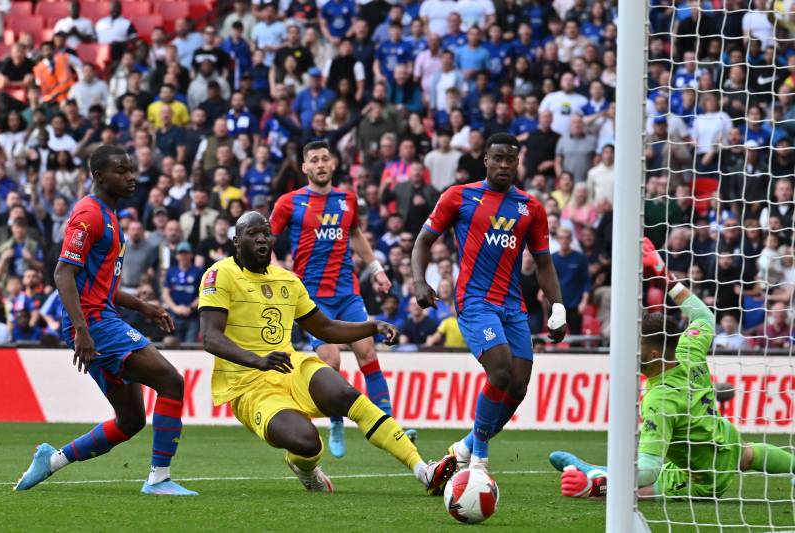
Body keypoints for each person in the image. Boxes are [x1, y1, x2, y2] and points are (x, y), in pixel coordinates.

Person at [198, 211, 456, 493]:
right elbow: (211, 337)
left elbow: (325, 328)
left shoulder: (288, 280)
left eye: (266, 233)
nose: (261, 239)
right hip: (248, 384)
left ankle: (424, 471)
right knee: (308, 443)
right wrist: (257, 361)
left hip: (290, 366)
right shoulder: (219, 274)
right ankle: (304, 467)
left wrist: (372, 327)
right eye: (252, 234)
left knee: (347, 395)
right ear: (236, 241)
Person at [551, 238, 795, 500]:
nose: (629, 352)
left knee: (641, 488)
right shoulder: (687, 348)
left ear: (654, 354)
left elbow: (649, 470)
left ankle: (596, 480)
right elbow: (704, 317)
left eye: (636, 346)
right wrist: (664, 277)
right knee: (748, 454)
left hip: (700, 479)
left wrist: (599, 488)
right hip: (727, 442)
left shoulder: (660, 399)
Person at [14, 145, 196, 496]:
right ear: (99, 176)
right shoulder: (89, 214)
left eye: (131, 169)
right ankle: (159, 480)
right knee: (171, 382)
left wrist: (143, 306)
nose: (131, 176)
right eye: (121, 170)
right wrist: (82, 330)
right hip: (95, 323)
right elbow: (63, 273)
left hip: (99, 318)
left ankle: (52, 460)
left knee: (131, 421)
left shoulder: (110, 217)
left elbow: (101, 284)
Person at [412, 132, 567, 472]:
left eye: (510, 159)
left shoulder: (531, 208)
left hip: (512, 306)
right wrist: (420, 281)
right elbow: (423, 241)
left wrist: (558, 308)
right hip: (475, 300)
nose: (503, 165)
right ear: (485, 160)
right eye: (497, 158)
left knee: (519, 386)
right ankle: (479, 457)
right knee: (499, 371)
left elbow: (543, 263)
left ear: (518, 163)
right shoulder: (459, 196)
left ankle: (466, 445)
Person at [270, 140, 403, 459]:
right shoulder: (289, 203)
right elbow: (267, 240)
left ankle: (390, 423)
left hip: (347, 293)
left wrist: (376, 268)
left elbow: (355, 234)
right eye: (313, 160)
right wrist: (279, 273)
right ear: (305, 168)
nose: (319, 164)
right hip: (313, 299)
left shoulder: (348, 200)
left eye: (324, 159)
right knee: (331, 361)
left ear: (333, 164)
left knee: (368, 351)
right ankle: (336, 422)